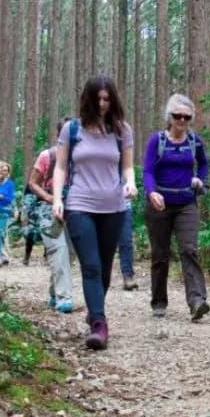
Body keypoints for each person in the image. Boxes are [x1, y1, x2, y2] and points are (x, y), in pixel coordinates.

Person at [52, 76, 137, 350]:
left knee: (104, 269)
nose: (102, 104)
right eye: (98, 98)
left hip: (114, 207)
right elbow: (61, 167)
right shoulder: (71, 130)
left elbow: (127, 167)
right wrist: (57, 199)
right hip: (79, 205)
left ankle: (94, 309)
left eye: (107, 98)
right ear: (88, 99)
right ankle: (99, 324)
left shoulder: (122, 130)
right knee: (90, 266)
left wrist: (131, 183)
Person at [142, 94, 210, 320]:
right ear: (169, 117)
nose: (181, 120)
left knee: (189, 249)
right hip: (160, 204)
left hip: (186, 203)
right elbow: (148, 170)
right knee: (161, 253)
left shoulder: (195, 141)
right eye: (177, 116)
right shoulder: (157, 140)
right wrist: (152, 191)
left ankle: (197, 300)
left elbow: (204, 163)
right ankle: (159, 301)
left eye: (186, 116)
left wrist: (200, 179)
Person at [27, 119, 75, 313]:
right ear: (59, 135)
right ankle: (65, 297)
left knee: (70, 253)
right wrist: (49, 197)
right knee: (58, 250)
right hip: (48, 209)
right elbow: (33, 183)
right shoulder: (47, 155)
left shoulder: (81, 157)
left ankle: (54, 292)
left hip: (74, 208)